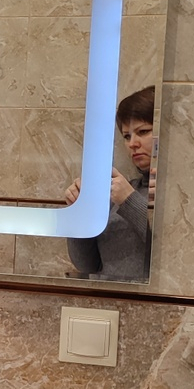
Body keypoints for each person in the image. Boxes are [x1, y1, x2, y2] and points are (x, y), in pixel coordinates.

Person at [64, 86, 155, 282]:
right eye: (127, 136)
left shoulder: (177, 197)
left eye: (143, 131)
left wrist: (129, 200)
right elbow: (87, 265)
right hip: (106, 298)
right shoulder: (117, 193)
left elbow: (173, 252)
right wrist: (79, 215)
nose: (132, 144)